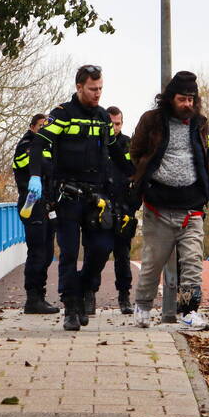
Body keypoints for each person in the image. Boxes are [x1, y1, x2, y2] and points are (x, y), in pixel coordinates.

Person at [27, 65, 133, 331]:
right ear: (79, 87)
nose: (97, 94)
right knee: (70, 252)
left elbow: (116, 153)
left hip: (95, 196)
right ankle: (71, 307)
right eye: (92, 89)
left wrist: (138, 175)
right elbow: (39, 144)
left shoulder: (101, 117)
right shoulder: (63, 115)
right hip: (67, 195)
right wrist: (35, 177)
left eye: (100, 88)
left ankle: (85, 286)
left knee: (101, 248)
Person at [129, 71, 209, 330]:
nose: (187, 104)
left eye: (191, 99)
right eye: (182, 99)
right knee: (153, 262)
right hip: (158, 206)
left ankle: (189, 311)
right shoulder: (152, 121)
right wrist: (146, 178)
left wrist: (207, 184)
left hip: (191, 207)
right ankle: (143, 305)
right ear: (170, 98)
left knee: (192, 262)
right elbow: (135, 151)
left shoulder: (201, 124)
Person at [85, 106, 138, 314]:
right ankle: (89, 294)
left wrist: (133, 205)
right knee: (95, 253)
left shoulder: (129, 146)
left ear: (122, 124)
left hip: (123, 207)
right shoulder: (95, 143)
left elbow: (136, 175)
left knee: (122, 255)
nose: (114, 127)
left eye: (118, 124)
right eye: (111, 123)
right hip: (98, 207)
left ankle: (124, 297)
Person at [11, 113, 58, 314]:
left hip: (47, 205)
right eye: (40, 125)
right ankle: (33, 299)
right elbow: (38, 165)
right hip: (32, 204)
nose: (43, 129)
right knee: (37, 252)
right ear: (32, 127)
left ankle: (40, 295)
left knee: (47, 253)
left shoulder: (47, 146)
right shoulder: (26, 145)